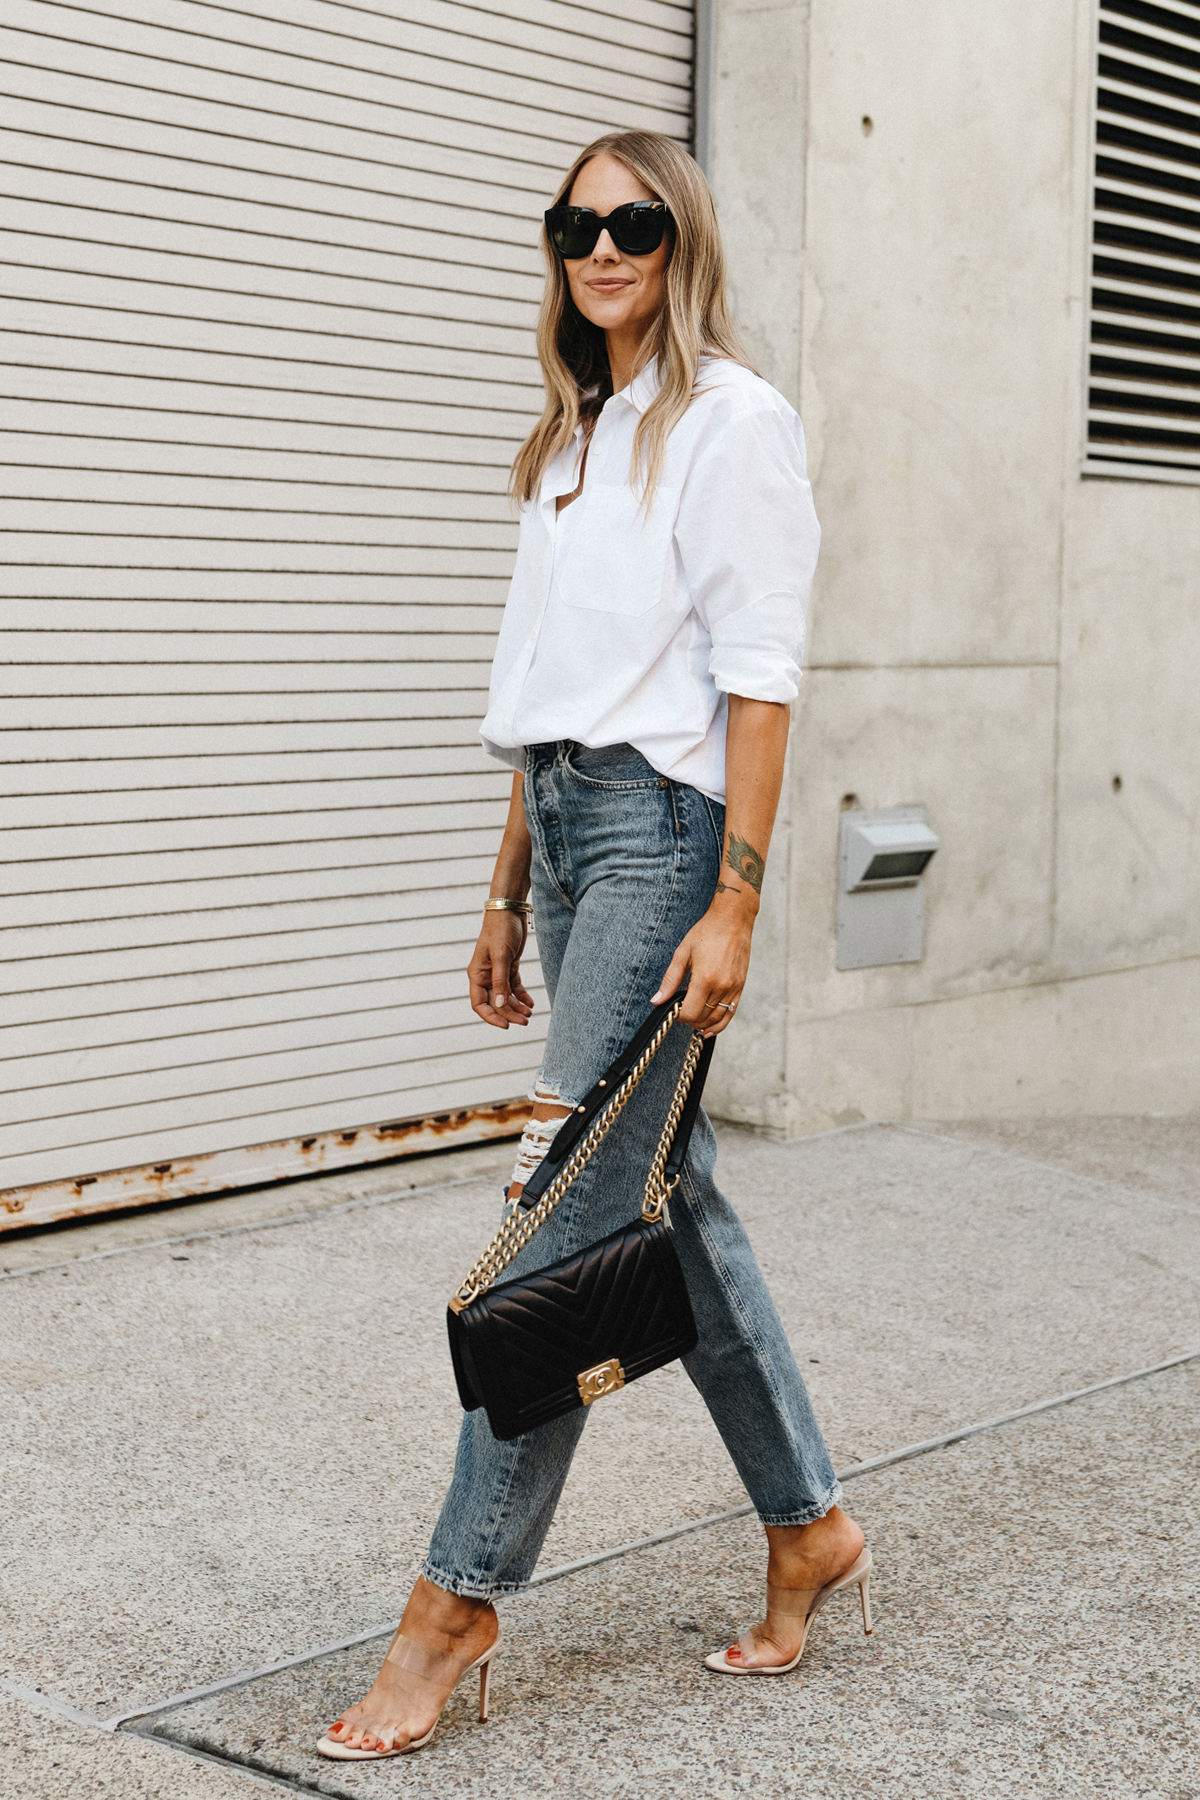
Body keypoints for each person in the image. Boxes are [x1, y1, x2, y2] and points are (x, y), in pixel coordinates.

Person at [317, 128, 871, 1763]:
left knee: (561, 1221)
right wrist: (502, 889)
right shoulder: (576, 434)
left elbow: (759, 677)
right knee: (666, 1202)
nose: (603, 247)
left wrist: (740, 898)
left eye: (633, 222)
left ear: (679, 238)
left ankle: (455, 1607)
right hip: (568, 836)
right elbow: (545, 690)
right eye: (577, 225)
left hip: (663, 843)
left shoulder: (730, 423)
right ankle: (810, 1525)